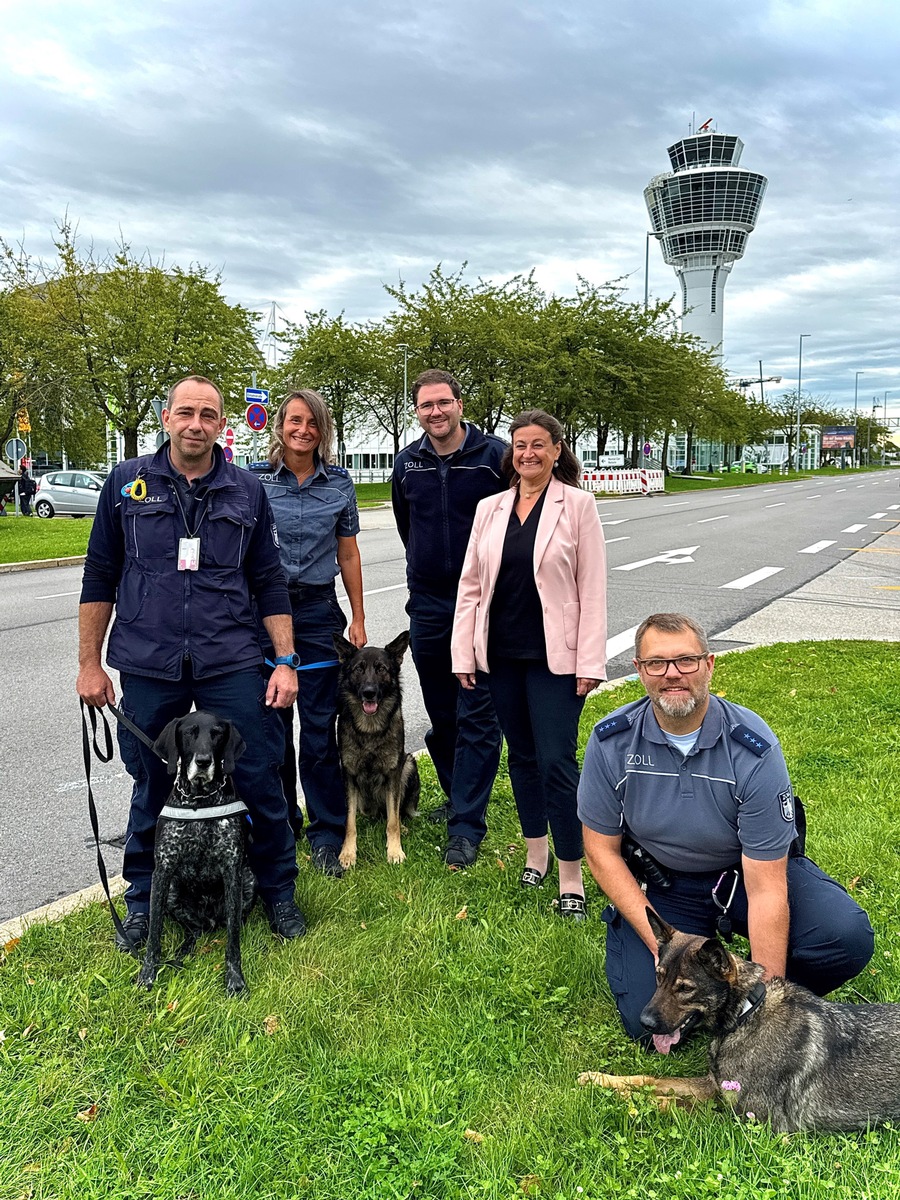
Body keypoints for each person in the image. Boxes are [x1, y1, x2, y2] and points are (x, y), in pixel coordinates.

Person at [76, 375, 306, 951]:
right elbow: (100, 574)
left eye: (208, 414)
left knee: (258, 776)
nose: (196, 424)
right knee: (153, 781)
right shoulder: (126, 484)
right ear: (166, 417)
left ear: (221, 424)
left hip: (230, 656)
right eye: (186, 413)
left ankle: (279, 893)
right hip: (149, 661)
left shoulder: (247, 490)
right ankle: (143, 900)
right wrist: (89, 664)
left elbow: (269, 581)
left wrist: (284, 661)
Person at [578, 612, 875, 1040]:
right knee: (650, 1027)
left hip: (741, 878)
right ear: (640, 671)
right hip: (664, 889)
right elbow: (601, 852)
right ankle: (704, 986)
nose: (672, 674)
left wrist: (764, 1006)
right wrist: (665, 946)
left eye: (686, 661)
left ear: (710, 664)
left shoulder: (752, 748)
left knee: (843, 937)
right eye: (656, 663)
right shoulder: (611, 742)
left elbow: (767, 887)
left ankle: (753, 997)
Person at [452, 409, 608, 918]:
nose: (528, 454)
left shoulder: (578, 505)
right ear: (511, 453)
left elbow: (593, 589)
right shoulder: (490, 508)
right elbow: (471, 586)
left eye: (539, 445)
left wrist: (590, 661)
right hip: (500, 655)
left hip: (555, 660)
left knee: (557, 763)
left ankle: (570, 873)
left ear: (557, 450)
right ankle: (534, 852)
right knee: (519, 758)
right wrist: (464, 652)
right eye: (520, 445)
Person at [392, 369, 506, 869]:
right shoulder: (407, 464)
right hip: (431, 604)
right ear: (417, 412)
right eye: (425, 406)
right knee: (442, 716)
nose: (435, 412)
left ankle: (466, 826)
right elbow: (405, 525)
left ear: (460, 404)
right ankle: (460, 797)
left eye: (443, 403)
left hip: (485, 602)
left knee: (478, 714)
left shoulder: (494, 458)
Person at [251, 389, 366, 878]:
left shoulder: (340, 485)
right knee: (271, 731)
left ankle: (326, 832)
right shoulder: (253, 480)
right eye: (294, 421)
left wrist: (358, 617)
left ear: (323, 431)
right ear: (280, 425)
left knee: (319, 733)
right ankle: (282, 825)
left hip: (319, 612)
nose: (302, 430)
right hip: (263, 612)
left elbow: (348, 554)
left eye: (312, 423)